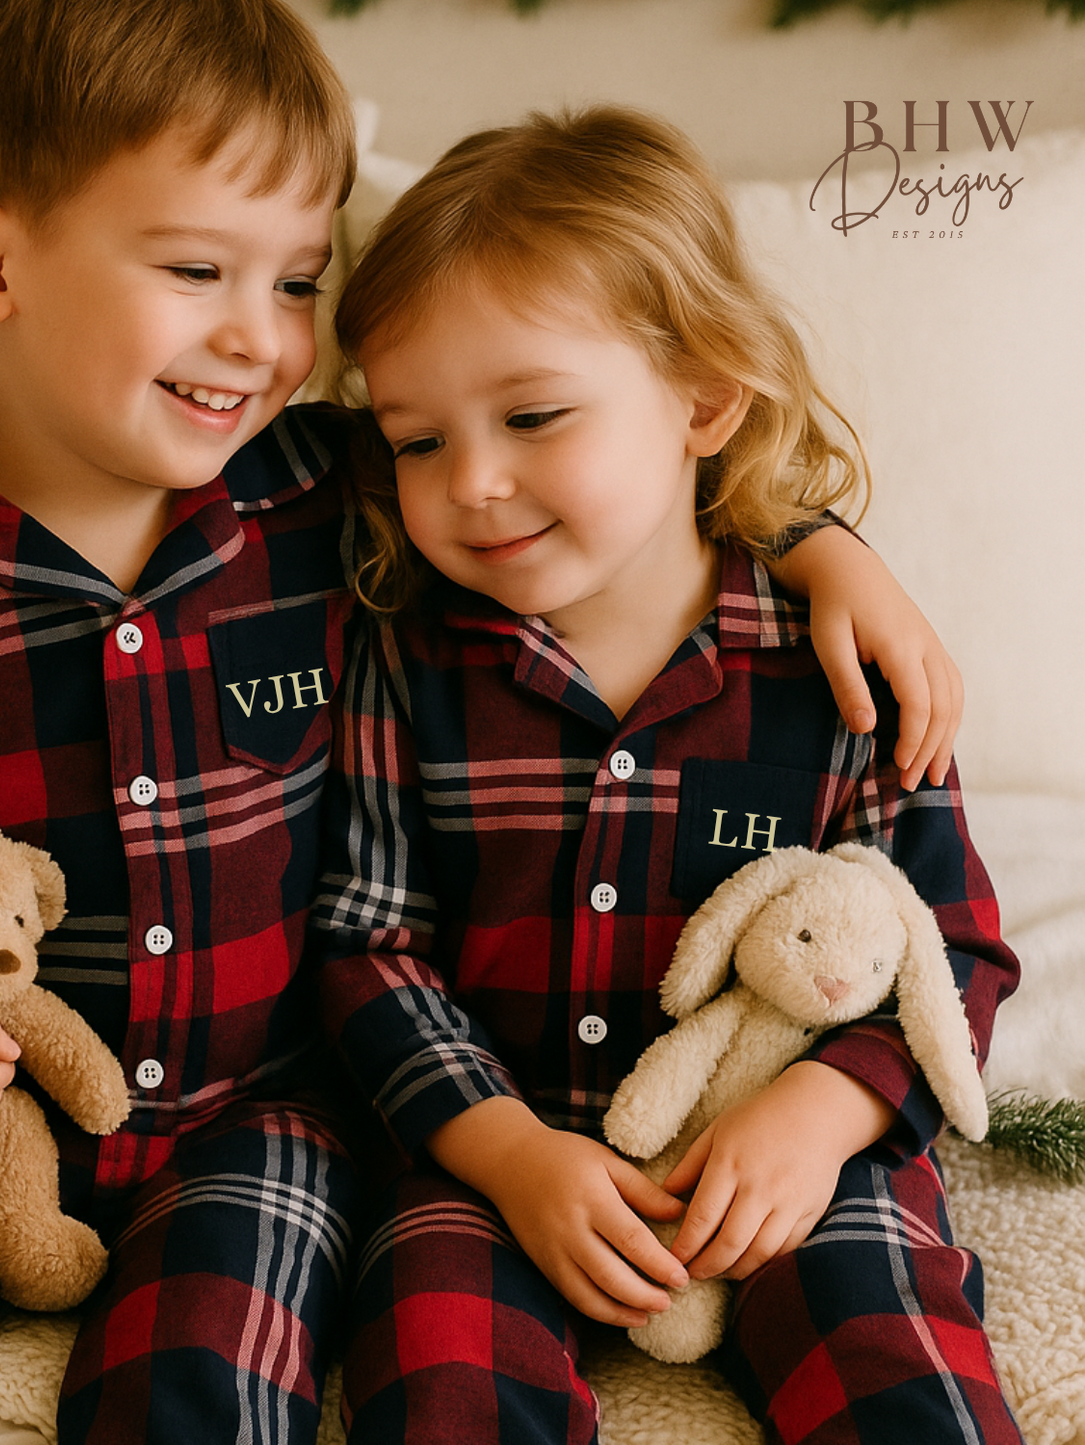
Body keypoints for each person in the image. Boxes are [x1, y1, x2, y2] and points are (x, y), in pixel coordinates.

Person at [0, 0, 961, 1434]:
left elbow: (614, 467)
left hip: (248, 1117)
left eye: (296, 285)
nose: (259, 340)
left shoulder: (339, 494)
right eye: (200, 268)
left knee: (196, 1387)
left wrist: (825, 546)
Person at [311, 107, 1021, 1445]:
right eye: (415, 440)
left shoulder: (839, 664)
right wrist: (510, 1156)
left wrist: (820, 1117)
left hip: (783, 1149)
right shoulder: (403, 651)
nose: (472, 481)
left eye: (533, 414)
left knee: (887, 1344)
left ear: (703, 398)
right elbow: (364, 946)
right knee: (437, 1351)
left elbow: (956, 952)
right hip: (497, 1148)